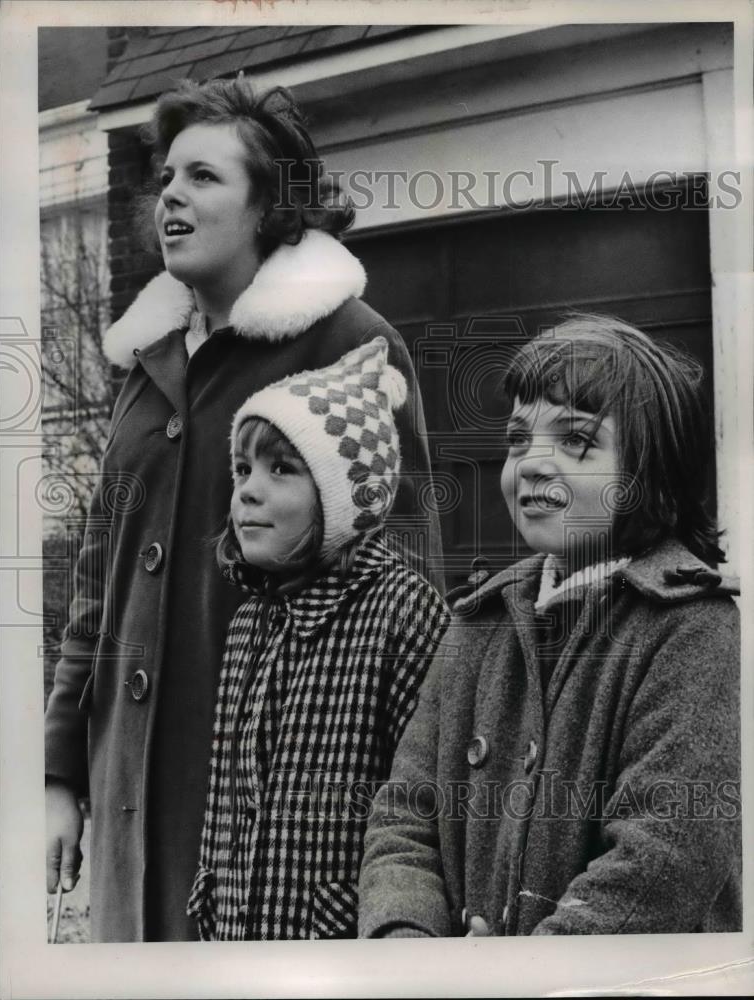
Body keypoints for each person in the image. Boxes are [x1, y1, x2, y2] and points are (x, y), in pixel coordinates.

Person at [44, 76, 442, 942]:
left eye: (205, 177)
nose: (172, 196)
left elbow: (410, 602)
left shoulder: (350, 342)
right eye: (167, 178)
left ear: (271, 207)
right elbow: (94, 583)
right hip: (123, 798)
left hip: (272, 820)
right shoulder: (141, 364)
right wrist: (61, 772)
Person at [358, 314, 741, 937]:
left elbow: (664, 858)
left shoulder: (691, 627)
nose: (531, 464)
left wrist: (521, 974)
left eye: (576, 441)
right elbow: (404, 818)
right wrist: (411, 947)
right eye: (517, 440)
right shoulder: (475, 623)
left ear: (655, 477)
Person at [187, 338, 449, 940]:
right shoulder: (249, 622)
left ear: (342, 501)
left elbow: (426, 809)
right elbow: (223, 799)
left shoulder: (403, 613)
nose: (248, 489)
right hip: (237, 936)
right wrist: (209, 892)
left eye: (281, 468)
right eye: (242, 468)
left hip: (341, 943)